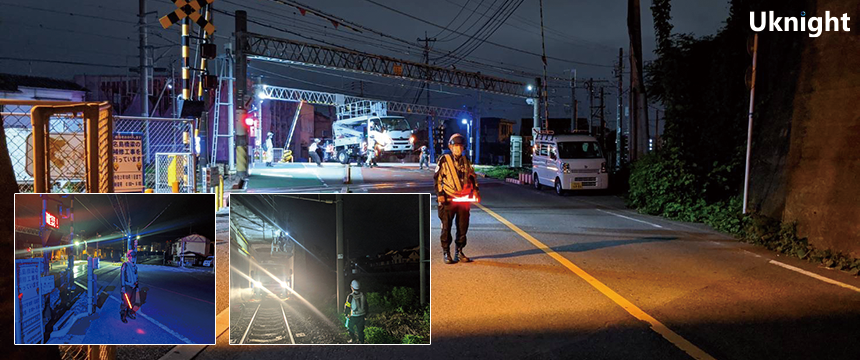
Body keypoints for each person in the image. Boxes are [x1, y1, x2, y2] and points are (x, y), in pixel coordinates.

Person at [434, 133, 479, 264]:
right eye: (456, 146)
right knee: (446, 227)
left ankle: (459, 251)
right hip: (448, 198)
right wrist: (440, 195)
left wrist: (475, 191)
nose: (458, 148)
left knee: (463, 227)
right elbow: (437, 178)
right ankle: (446, 252)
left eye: (460, 146)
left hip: (463, 200)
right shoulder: (444, 159)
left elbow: (472, 177)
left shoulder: (466, 161)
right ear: (450, 146)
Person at [343, 279, 367, 344]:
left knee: (349, 327)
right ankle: (361, 342)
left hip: (353, 316)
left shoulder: (350, 296)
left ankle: (353, 339)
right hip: (362, 316)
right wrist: (366, 315)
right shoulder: (363, 295)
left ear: (352, 287)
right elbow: (366, 305)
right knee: (360, 331)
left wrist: (346, 314)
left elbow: (347, 306)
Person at [120, 250, 139, 323]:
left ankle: (128, 313)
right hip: (127, 286)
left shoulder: (135, 266)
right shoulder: (125, 265)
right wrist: (123, 286)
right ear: (128, 256)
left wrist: (137, 286)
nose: (133, 258)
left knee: (132, 302)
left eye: (134, 256)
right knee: (125, 302)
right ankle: (123, 315)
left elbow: (136, 276)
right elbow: (122, 277)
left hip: (133, 287)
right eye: (132, 256)